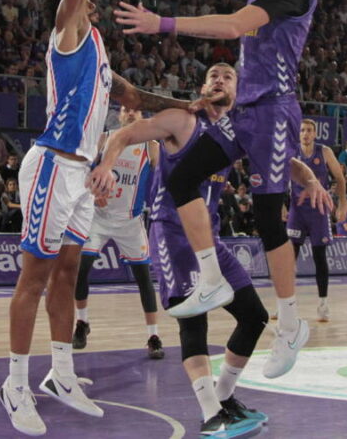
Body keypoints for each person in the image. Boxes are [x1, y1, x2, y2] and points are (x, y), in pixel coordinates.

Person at [0, 0, 191, 436]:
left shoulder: (103, 56)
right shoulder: (66, 35)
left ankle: (61, 372)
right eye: (78, 1)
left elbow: (137, 99)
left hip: (82, 176)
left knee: (66, 274)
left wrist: (192, 107)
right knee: (33, 280)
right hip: (52, 165)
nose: (84, 3)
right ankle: (14, 383)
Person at [115, 0, 322, 381]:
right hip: (246, 111)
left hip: (273, 111)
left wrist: (162, 22)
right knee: (183, 179)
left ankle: (291, 324)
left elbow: (231, 28)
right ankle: (210, 276)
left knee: (269, 220)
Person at [89, 64, 283, 438]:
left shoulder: (237, 133)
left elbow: (277, 158)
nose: (219, 80)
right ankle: (211, 415)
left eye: (227, 76)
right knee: (193, 321)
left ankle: (224, 398)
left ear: (237, 90)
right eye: (213, 75)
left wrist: (307, 178)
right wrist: (108, 165)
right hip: (173, 232)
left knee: (254, 315)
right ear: (202, 86)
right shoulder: (181, 120)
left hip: (208, 237)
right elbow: (127, 133)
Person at [72, 106, 163, 359]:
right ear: (120, 114)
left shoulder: (151, 146)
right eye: (126, 109)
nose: (132, 112)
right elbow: (83, 171)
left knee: (144, 277)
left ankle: (153, 335)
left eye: (136, 109)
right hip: (99, 217)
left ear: (142, 115)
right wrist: (92, 189)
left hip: (130, 221)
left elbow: (163, 178)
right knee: (82, 268)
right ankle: (82, 322)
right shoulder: (105, 138)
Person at [287, 118, 347, 323]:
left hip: (319, 210)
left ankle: (323, 303)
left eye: (309, 130)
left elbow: (340, 178)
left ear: (315, 134)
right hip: (296, 209)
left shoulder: (325, 152)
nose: (305, 133)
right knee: (289, 259)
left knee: (319, 257)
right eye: (302, 129)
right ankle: (285, 304)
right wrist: (281, 205)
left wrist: (342, 204)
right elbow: (278, 178)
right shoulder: (290, 150)